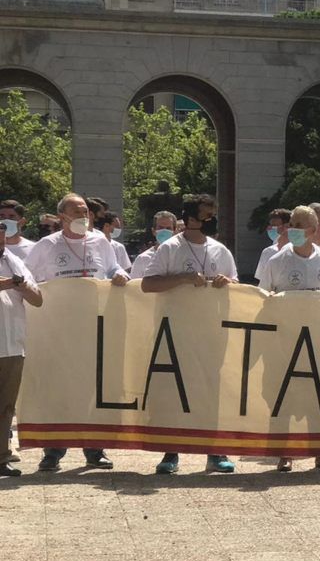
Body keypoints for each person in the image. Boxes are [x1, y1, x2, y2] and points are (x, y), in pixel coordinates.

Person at [24, 193, 128, 472]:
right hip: (57, 330)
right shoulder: (45, 246)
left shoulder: (100, 242)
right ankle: (53, 450)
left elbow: (113, 268)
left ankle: (95, 449)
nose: (84, 216)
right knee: (58, 389)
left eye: (86, 212)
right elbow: (28, 278)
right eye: (77, 212)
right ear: (62, 217)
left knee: (93, 388)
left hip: (94, 327)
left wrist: (120, 275)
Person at [141, 194, 239, 474]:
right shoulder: (170, 248)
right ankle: (171, 452)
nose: (213, 218)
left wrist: (227, 282)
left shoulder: (220, 250)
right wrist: (183, 278)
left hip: (210, 332)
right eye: (208, 213)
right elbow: (148, 285)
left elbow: (237, 287)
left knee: (211, 390)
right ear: (192, 217)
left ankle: (215, 450)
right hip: (176, 332)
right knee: (175, 390)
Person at [260, 205, 320, 472]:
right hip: (285, 338)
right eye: (291, 223)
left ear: (312, 229)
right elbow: (263, 299)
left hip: (318, 337)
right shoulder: (276, 260)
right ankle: (284, 453)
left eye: (299, 224)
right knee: (283, 393)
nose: (292, 228)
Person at [0, 233, 43, 476]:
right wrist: (8, 283)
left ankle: (1, 456)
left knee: (6, 406)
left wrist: (22, 285)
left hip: (11, 344)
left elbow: (37, 299)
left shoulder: (14, 260)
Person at [130, 211, 179, 279]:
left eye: (168, 228)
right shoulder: (143, 259)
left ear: (175, 232)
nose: (164, 231)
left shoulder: (182, 256)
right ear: (153, 231)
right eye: (160, 228)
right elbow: (134, 286)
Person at [254, 208, 292, 282]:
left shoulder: (300, 249)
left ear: (287, 226)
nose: (270, 228)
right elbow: (262, 281)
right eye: (270, 225)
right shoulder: (268, 251)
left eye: (275, 225)